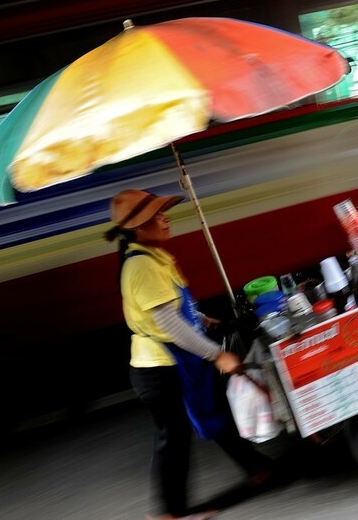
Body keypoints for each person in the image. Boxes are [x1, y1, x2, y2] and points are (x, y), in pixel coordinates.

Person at [105, 189, 275, 520]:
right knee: (174, 438)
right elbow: (168, 324)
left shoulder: (154, 256)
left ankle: (258, 469)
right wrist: (216, 355)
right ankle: (169, 515)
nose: (164, 217)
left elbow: (179, 309)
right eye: (156, 215)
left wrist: (207, 320)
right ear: (138, 227)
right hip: (160, 368)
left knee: (215, 410)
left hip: (177, 359)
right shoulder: (141, 266)